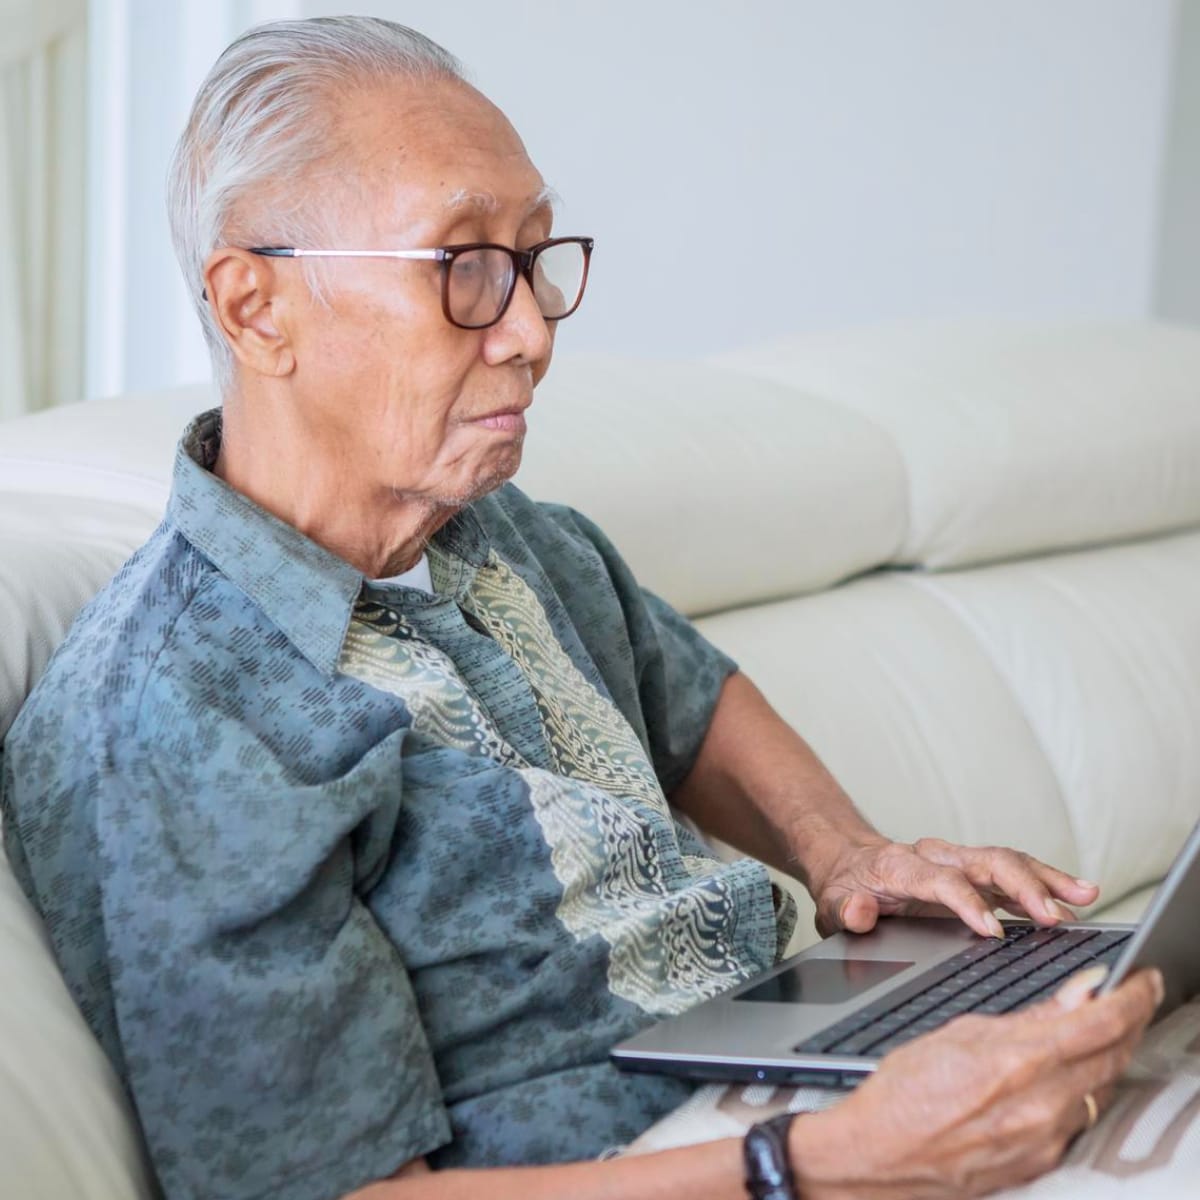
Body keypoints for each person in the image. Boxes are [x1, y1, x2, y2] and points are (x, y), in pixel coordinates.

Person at [0, 16, 1161, 1200]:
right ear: (257, 309)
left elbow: (690, 695)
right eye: (464, 268)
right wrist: (817, 1166)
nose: (532, 333)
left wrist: (849, 851)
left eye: (536, 258)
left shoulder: (503, 536)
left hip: (795, 1072)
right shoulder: (177, 720)